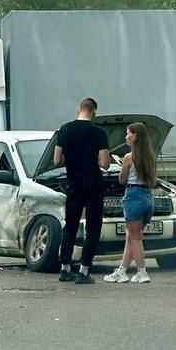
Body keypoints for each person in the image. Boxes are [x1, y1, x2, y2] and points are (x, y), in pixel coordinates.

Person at [54, 97, 110, 284]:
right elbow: (105, 164)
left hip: (74, 184)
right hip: (93, 184)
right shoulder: (99, 133)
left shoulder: (65, 129)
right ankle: (84, 270)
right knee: (93, 227)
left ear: (79, 109)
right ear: (94, 112)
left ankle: (65, 268)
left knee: (70, 225)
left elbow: (56, 161)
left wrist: (72, 160)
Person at [105, 122, 157, 285]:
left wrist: (123, 166)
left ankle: (142, 272)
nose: (125, 137)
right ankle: (122, 271)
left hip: (133, 197)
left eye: (127, 133)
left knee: (136, 238)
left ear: (135, 136)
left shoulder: (129, 157)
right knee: (131, 236)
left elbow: (122, 180)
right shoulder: (150, 157)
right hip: (147, 197)